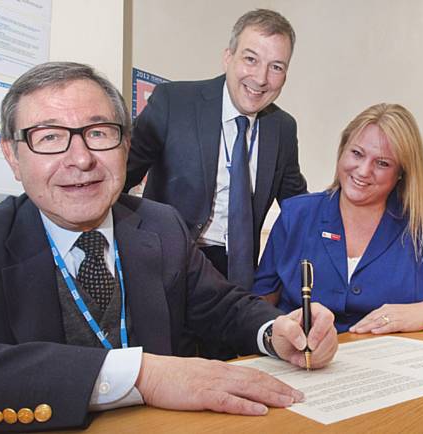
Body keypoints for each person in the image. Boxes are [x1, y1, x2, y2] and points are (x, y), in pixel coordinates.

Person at [0, 62, 338, 433]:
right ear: (12, 155)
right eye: (49, 138)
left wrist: (277, 331)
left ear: (126, 144)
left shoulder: (162, 225)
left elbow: (222, 307)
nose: (80, 158)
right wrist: (140, 375)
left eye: (99, 132)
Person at [251, 103, 423, 334]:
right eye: (356, 153)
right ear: (342, 150)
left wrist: (420, 314)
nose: (364, 171)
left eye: (382, 163)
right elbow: (259, 304)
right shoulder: (297, 215)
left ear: (401, 173)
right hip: (305, 368)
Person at [126, 9, 307, 292]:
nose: (261, 78)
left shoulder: (282, 127)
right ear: (228, 57)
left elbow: (299, 207)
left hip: (239, 275)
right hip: (170, 265)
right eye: (250, 59)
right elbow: (119, 176)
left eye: (276, 67)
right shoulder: (174, 102)